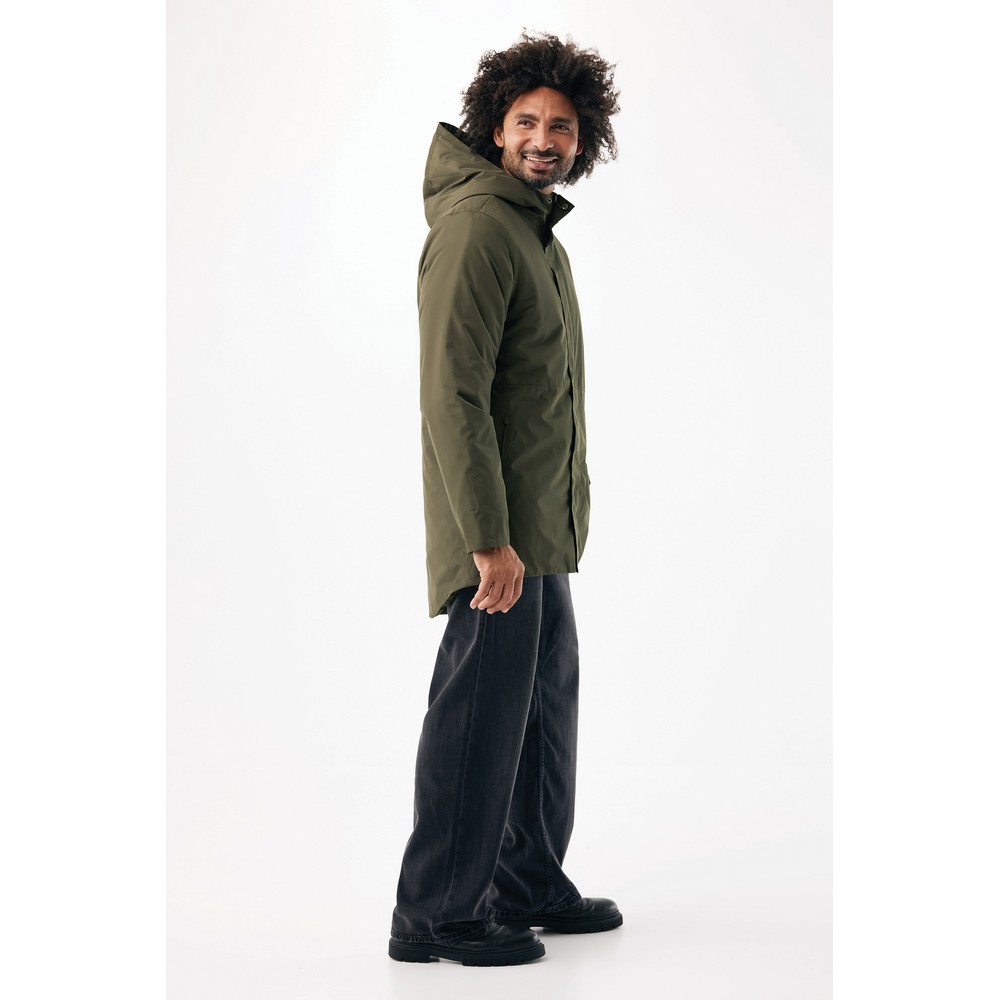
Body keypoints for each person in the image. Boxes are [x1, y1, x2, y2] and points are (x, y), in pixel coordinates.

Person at [388, 31, 623, 967]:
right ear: (494, 127)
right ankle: (436, 913)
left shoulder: (533, 230)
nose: (543, 139)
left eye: (561, 126)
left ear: (582, 139)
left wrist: (542, 530)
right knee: (481, 715)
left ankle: (525, 879)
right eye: (527, 121)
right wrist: (488, 538)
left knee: (543, 709)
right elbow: (453, 395)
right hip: (499, 539)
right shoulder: (481, 228)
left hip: (539, 531)